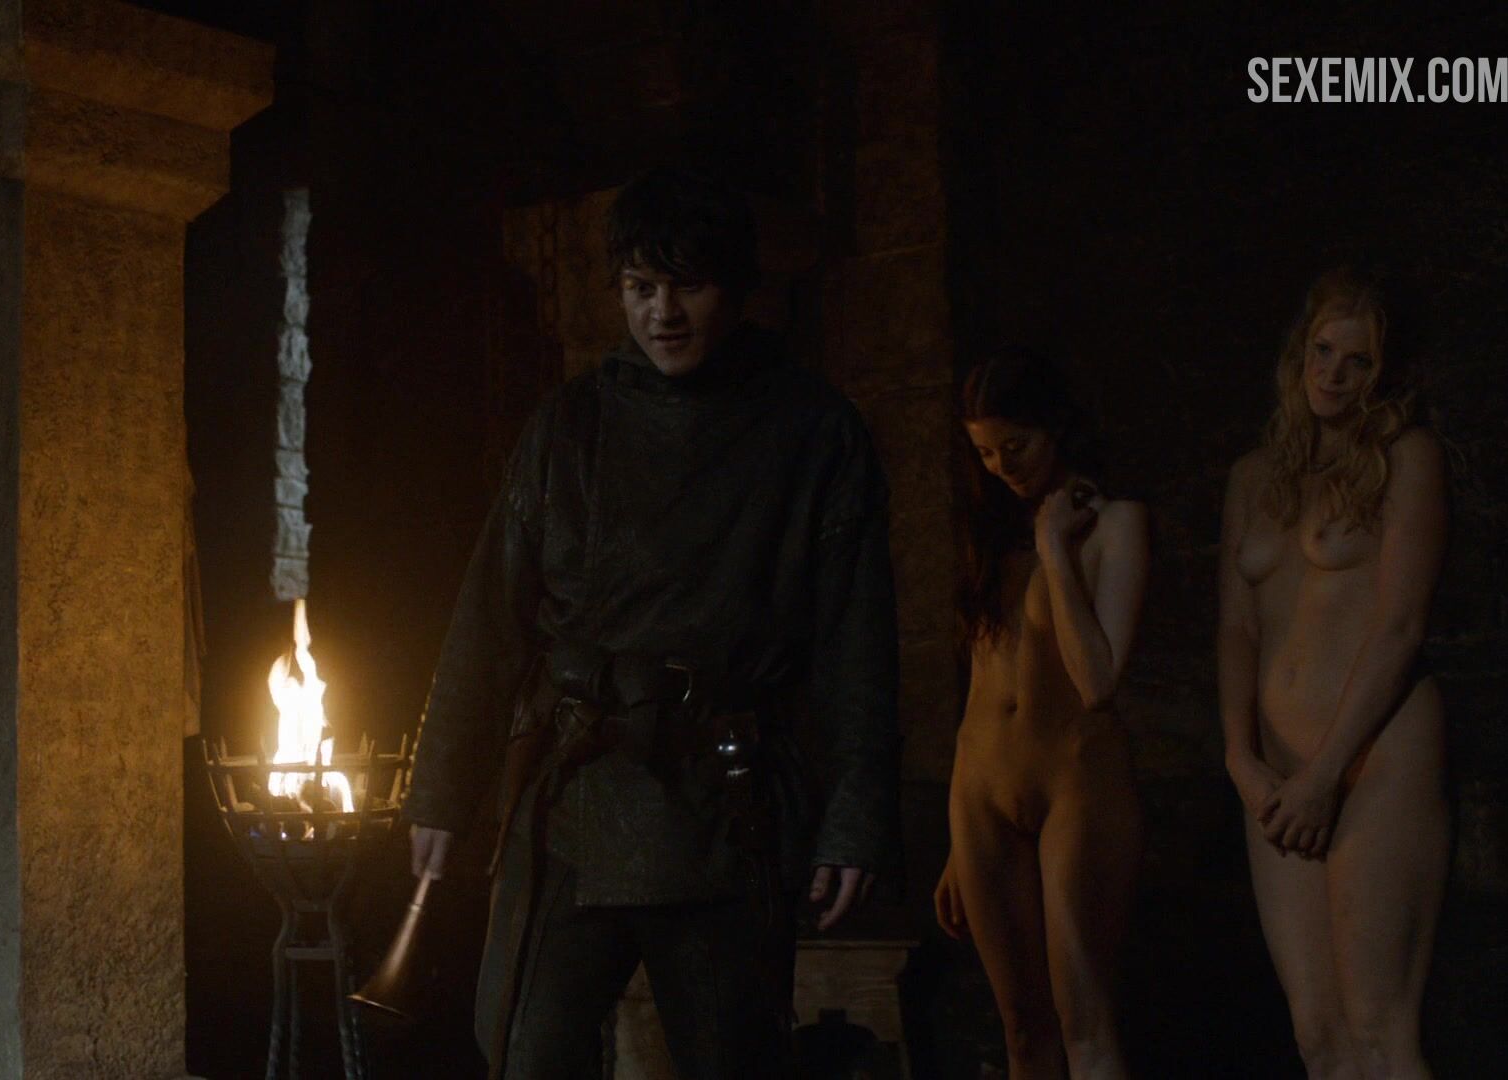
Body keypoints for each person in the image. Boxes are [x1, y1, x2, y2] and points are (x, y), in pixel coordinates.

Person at [400, 163, 900, 1078]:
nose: (662, 313)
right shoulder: (571, 425)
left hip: (723, 805)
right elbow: (490, 616)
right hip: (576, 796)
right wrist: (442, 790)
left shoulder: (811, 432)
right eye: (639, 288)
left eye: (688, 286)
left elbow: (855, 646)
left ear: (737, 289)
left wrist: (853, 822)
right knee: (525, 1058)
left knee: (730, 1063)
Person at [1218, 267, 1447, 1079]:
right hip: (1276, 771)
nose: (1333, 374)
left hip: (1375, 757)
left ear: (1384, 373)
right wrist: (1239, 759)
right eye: (1322, 351)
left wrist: (1325, 775)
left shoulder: (1404, 458)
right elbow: (1236, 628)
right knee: (1319, 1038)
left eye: (1357, 361)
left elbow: (1400, 627)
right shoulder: (1252, 477)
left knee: (1378, 1029)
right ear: (1299, 351)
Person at [933, 348, 1148, 1079]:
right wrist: (955, 844)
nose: (1001, 467)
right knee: (1022, 1029)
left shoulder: (1116, 525)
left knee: (1083, 1021)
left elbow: (1097, 681)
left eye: (1015, 447)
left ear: (1054, 427)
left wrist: (1054, 548)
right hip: (980, 788)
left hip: (1074, 783)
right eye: (985, 453)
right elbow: (978, 686)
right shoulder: (988, 535)